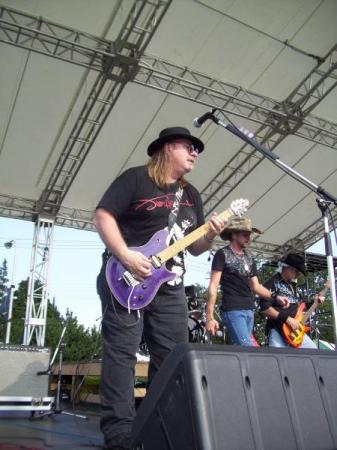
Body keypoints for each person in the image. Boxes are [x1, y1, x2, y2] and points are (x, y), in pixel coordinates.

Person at [94, 126, 226, 449]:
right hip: (125, 278)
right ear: (167, 148)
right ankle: (119, 436)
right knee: (122, 355)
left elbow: (196, 248)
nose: (195, 152)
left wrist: (209, 233)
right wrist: (125, 255)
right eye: (189, 146)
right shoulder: (136, 179)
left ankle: (157, 426)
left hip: (170, 286)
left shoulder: (191, 195)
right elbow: (102, 216)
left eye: (197, 149)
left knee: (170, 359)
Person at [206, 217, 289, 346]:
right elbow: (213, 286)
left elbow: (255, 286)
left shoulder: (249, 256)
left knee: (243, 353)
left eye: (249, 235)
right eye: (245, 235)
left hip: (249, 310)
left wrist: (275, 297)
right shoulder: (222, 254)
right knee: (248, 349)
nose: (248, 238)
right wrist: (210, 317)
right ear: (234, 235)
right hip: (232, 310)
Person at [259, 253, 329, 348]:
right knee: (278, 360)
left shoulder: (293, 287)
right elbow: (265, 309)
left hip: (296, 332)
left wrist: (315, 302)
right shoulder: (270, 283)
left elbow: (301, 307)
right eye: (297, 271)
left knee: (313, 354)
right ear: (287, 267)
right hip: (277, 331)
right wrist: (287, 319)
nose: (298, 274)